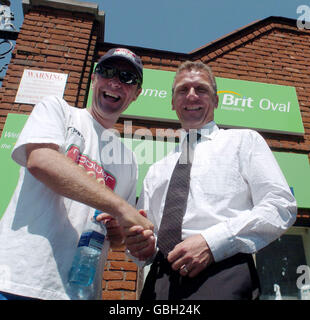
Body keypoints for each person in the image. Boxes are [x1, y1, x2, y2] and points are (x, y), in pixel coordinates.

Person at [126, 61, 297, 300]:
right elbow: (147, 240)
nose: (192, 95)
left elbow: (280, 206)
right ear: (173, 102)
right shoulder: (157, 169)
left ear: (215, 100)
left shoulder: (244, 142)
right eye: (183, 90)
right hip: (159, 281)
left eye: (201, 89)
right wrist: (140, 248)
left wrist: (211, 243)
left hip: (222, 272)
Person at [0, 47, 153, 300]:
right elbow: (41, 161)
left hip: (79, 292)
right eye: (107, 71)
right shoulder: (58, 110)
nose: (115, 82)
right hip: (19, 279)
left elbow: (114, 239)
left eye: (127, 78)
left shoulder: (128, 160)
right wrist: (123, 209)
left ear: (136, 94)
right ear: (94, 78)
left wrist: (118, 228)